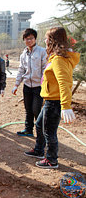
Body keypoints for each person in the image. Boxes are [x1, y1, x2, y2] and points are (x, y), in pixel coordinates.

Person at [24, 27, 80, 169]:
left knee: (49, 132)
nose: (45, 41)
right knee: (39, 125)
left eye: (47, 38)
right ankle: (38, 150)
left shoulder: (59, 60)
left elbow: (65, 82)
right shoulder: (55, 57)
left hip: (54, 102)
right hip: (49, 100)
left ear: (53, 41)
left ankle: (51, 159)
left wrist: (66, 106)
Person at [12, 28, 47, 137]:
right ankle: (28, 129)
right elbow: (21, 69)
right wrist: (16, 84)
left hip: (38, 86)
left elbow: (45, 69)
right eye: (27, 39)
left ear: (35, 39)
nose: (29, 41)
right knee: (28, 109)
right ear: (24, 40)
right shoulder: (23, 54)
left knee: (36, 109)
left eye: (31, 38)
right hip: (27, 85)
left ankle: (41, 132)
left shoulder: (42, 51)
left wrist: (44, 84)